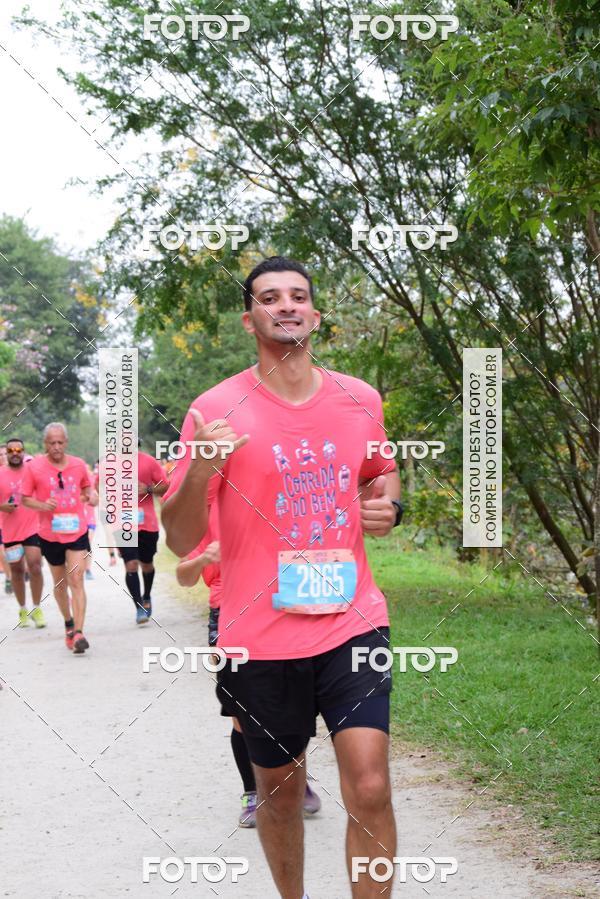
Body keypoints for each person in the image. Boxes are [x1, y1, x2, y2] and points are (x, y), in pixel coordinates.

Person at [162, 256, 402, 899]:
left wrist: (389, 507)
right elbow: (180, 538)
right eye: (270, 297)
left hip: (352, 620)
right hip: (259, 637)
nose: (286, 305)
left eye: (298, 295)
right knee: (280, 791)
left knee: (370, 784)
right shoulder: (215, 409)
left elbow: (380, 472)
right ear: (250, 320)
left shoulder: (359, 398)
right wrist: (200, 468)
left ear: (315, 315)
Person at [175, 504, 321, 829]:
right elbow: (183, 576)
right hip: (227, 614)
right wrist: (204, 559)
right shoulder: (207, 513)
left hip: (280, 607)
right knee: (241, 711)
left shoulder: (274, 505)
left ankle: (294, 777)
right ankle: (253, 792)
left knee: (296, 700)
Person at [22, 423, 94, 654]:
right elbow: (24, 498)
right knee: (60, 584)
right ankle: (69, 624)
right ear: (45, 443)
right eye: (52, 443)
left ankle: (80, 633)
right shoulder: (34, 467)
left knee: (76, 579)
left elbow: (87, 489)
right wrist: (43, 505)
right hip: (49, 534)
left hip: (76, 530)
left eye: (60, 442)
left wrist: (91, 496)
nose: (56, 447)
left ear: (66, 442)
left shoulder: (78, 464)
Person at [119, 440, 168, 624]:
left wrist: (148, 489)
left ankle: (147, 595)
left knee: (147, 565)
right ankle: (139, 606)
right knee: (131, 565)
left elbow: (166, 486)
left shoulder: (149, 462)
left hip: (147, 524)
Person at [0, 438, 45, 627]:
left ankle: (37, 608)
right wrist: (2, 506)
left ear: (23, 452)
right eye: (11, 450)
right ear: (7, 454)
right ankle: (23, 609)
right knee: (17, 570)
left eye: (18, 450)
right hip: (10, 531)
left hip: (33, 527)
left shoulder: (32, 471)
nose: (15, 453)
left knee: (35, 565)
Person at [0, 442, 13, 594]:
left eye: (5, 454)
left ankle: (16, 574)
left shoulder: (17, 471)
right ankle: (9, 577)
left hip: (14, 520)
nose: (3, 457)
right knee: (2, 551)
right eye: (0, 455)